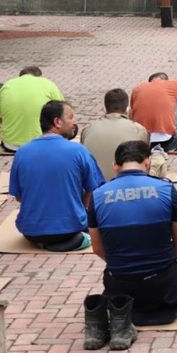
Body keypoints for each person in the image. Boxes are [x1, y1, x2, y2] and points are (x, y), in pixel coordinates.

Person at [87, 140, 177, 328]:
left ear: (115, 166)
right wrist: (161, 264)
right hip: (163, 285)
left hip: (120, 285)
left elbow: (97, 248)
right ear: (147, 163)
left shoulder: (97, 196)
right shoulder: (166, 189)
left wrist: (123, 265)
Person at [9, 101, 104, 252]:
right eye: (71, 117)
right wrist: (81, 207)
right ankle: (71, 241)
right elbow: (94, 189)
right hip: (71, 228)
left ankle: (46, 243)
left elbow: (19, 196)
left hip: (31, 231)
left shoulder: (22, 152)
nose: (74, 122)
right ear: (57, 122)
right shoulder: (78, 151)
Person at [81, 89, 149, 180]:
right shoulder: (139, 130)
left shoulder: (88, 130)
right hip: (126, 184)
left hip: (94, 185)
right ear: (127, 108)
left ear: (105, 108)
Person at [0, 66, 64, 151]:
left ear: (21, 76)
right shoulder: (47, 83)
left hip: (11, 145)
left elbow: (1, 120)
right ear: (39, 77)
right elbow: (62, 111)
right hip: (42, 144)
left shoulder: (6, 86)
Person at [130, 72, 177, 152]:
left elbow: (131, 114)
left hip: (142, 144)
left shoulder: (137, 89)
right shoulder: (174, 85)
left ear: (150, 82)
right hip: (168, 143)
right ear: (166, 80)